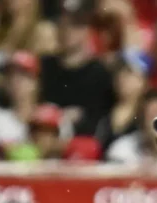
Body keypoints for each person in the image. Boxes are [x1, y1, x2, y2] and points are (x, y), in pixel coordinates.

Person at [39, 3, 114, 136]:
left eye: (76, 25)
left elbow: (102, 118)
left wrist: (81, 117)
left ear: (88, 30)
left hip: (83, 145)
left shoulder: (100, 73)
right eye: (62, 24)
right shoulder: (44, 66)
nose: (67, 30)